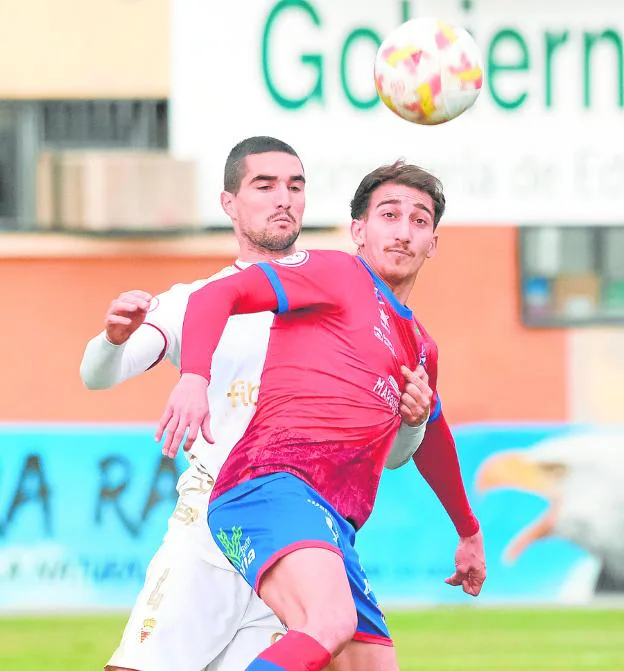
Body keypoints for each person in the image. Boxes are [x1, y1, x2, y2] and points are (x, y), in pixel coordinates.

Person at [80, 137, 430, 671]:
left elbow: (399, 452)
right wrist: (112, 338)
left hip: (298, 534)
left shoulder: (349, 301)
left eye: (295, 185)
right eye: (264, 185)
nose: (283, 198)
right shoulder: (195, 299)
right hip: (212, 525)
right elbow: (97, 377)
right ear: (228, 203)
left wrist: (414, 421)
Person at [157, 160, 487, 671]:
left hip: (333, 521)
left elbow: (435, 436)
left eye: (419, 221)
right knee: (328, 623)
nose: (403, 232)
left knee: (373, 664)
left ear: (433, 244)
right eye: (389, 215)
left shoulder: (421, 347)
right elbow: (217, 294)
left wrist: (468, 532)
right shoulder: (336, 272)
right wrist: (194, 376)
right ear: (359, 231)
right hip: (270, 485)